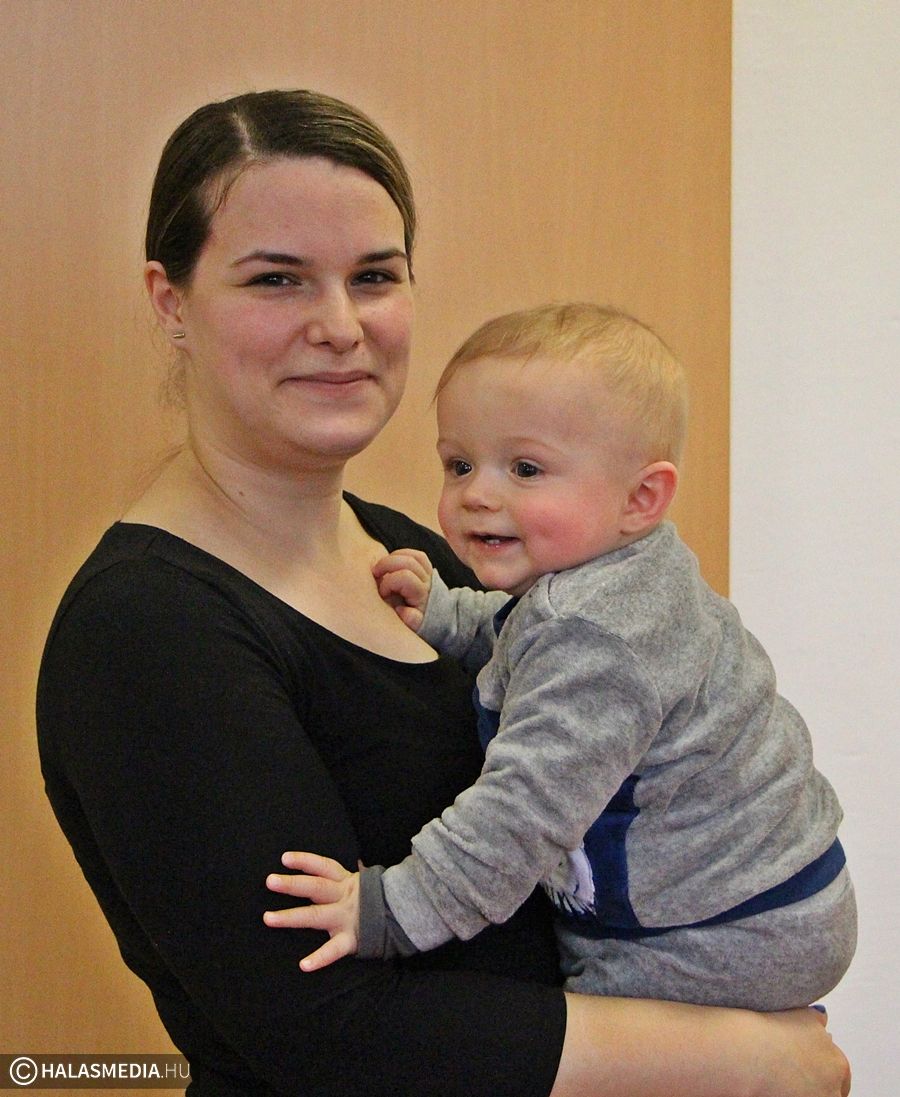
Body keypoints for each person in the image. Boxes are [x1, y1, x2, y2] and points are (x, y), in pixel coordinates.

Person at [36, 90, 851, 1097]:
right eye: (278, 278)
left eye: (374, 276)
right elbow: (329, 1032)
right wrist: (751, 1059)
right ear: (171, 301)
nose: (341, 326)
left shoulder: (424, 555)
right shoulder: (145, 630)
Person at [266, 303, 856, 1013]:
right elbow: (532, 641)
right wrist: (450, 616)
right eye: (459, 464)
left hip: (720, 932)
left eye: (526, 468)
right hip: (779, 897)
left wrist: (390, 908)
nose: (477, 494)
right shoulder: (624, 575)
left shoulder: (599, 638)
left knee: (574, 1040)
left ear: (641, 498)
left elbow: (519, 813)